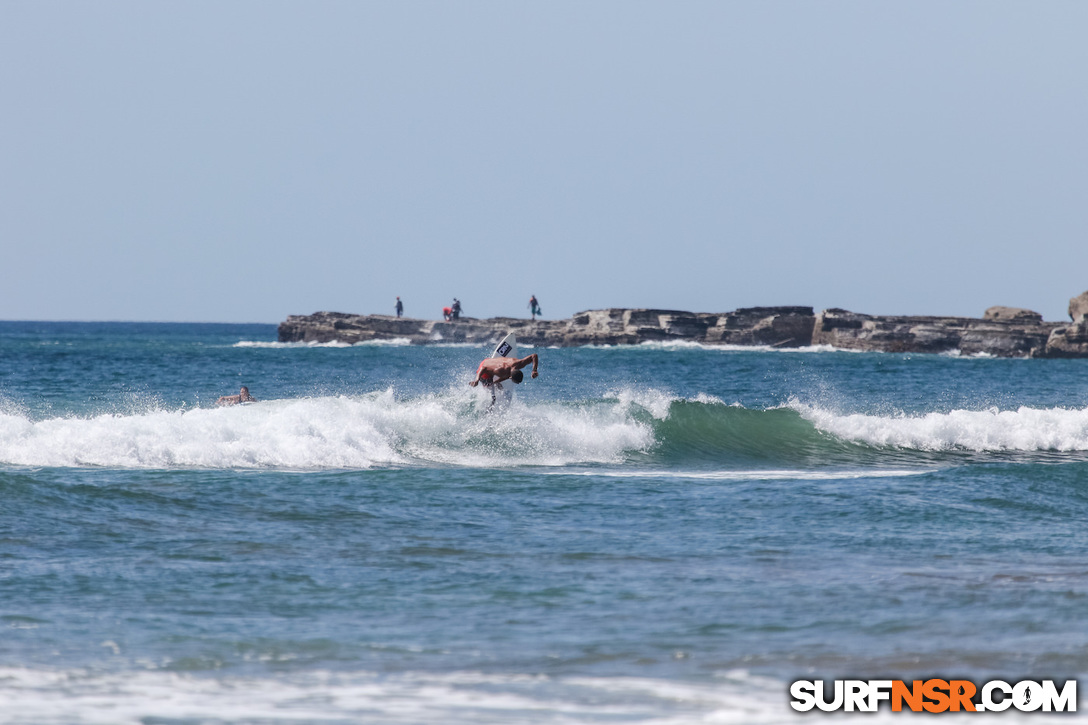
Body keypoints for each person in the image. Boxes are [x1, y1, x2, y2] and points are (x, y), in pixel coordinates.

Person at [470, 353, 539, 393]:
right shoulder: (501, 371)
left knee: (498, 386)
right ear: (510, 377)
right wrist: (477, 380)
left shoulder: (518, 363)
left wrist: (534, 370)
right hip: (484, 367)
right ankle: (489, 409)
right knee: (493, 397)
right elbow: (483, 368)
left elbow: (534, 356)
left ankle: (496, 384)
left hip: (490, 360)